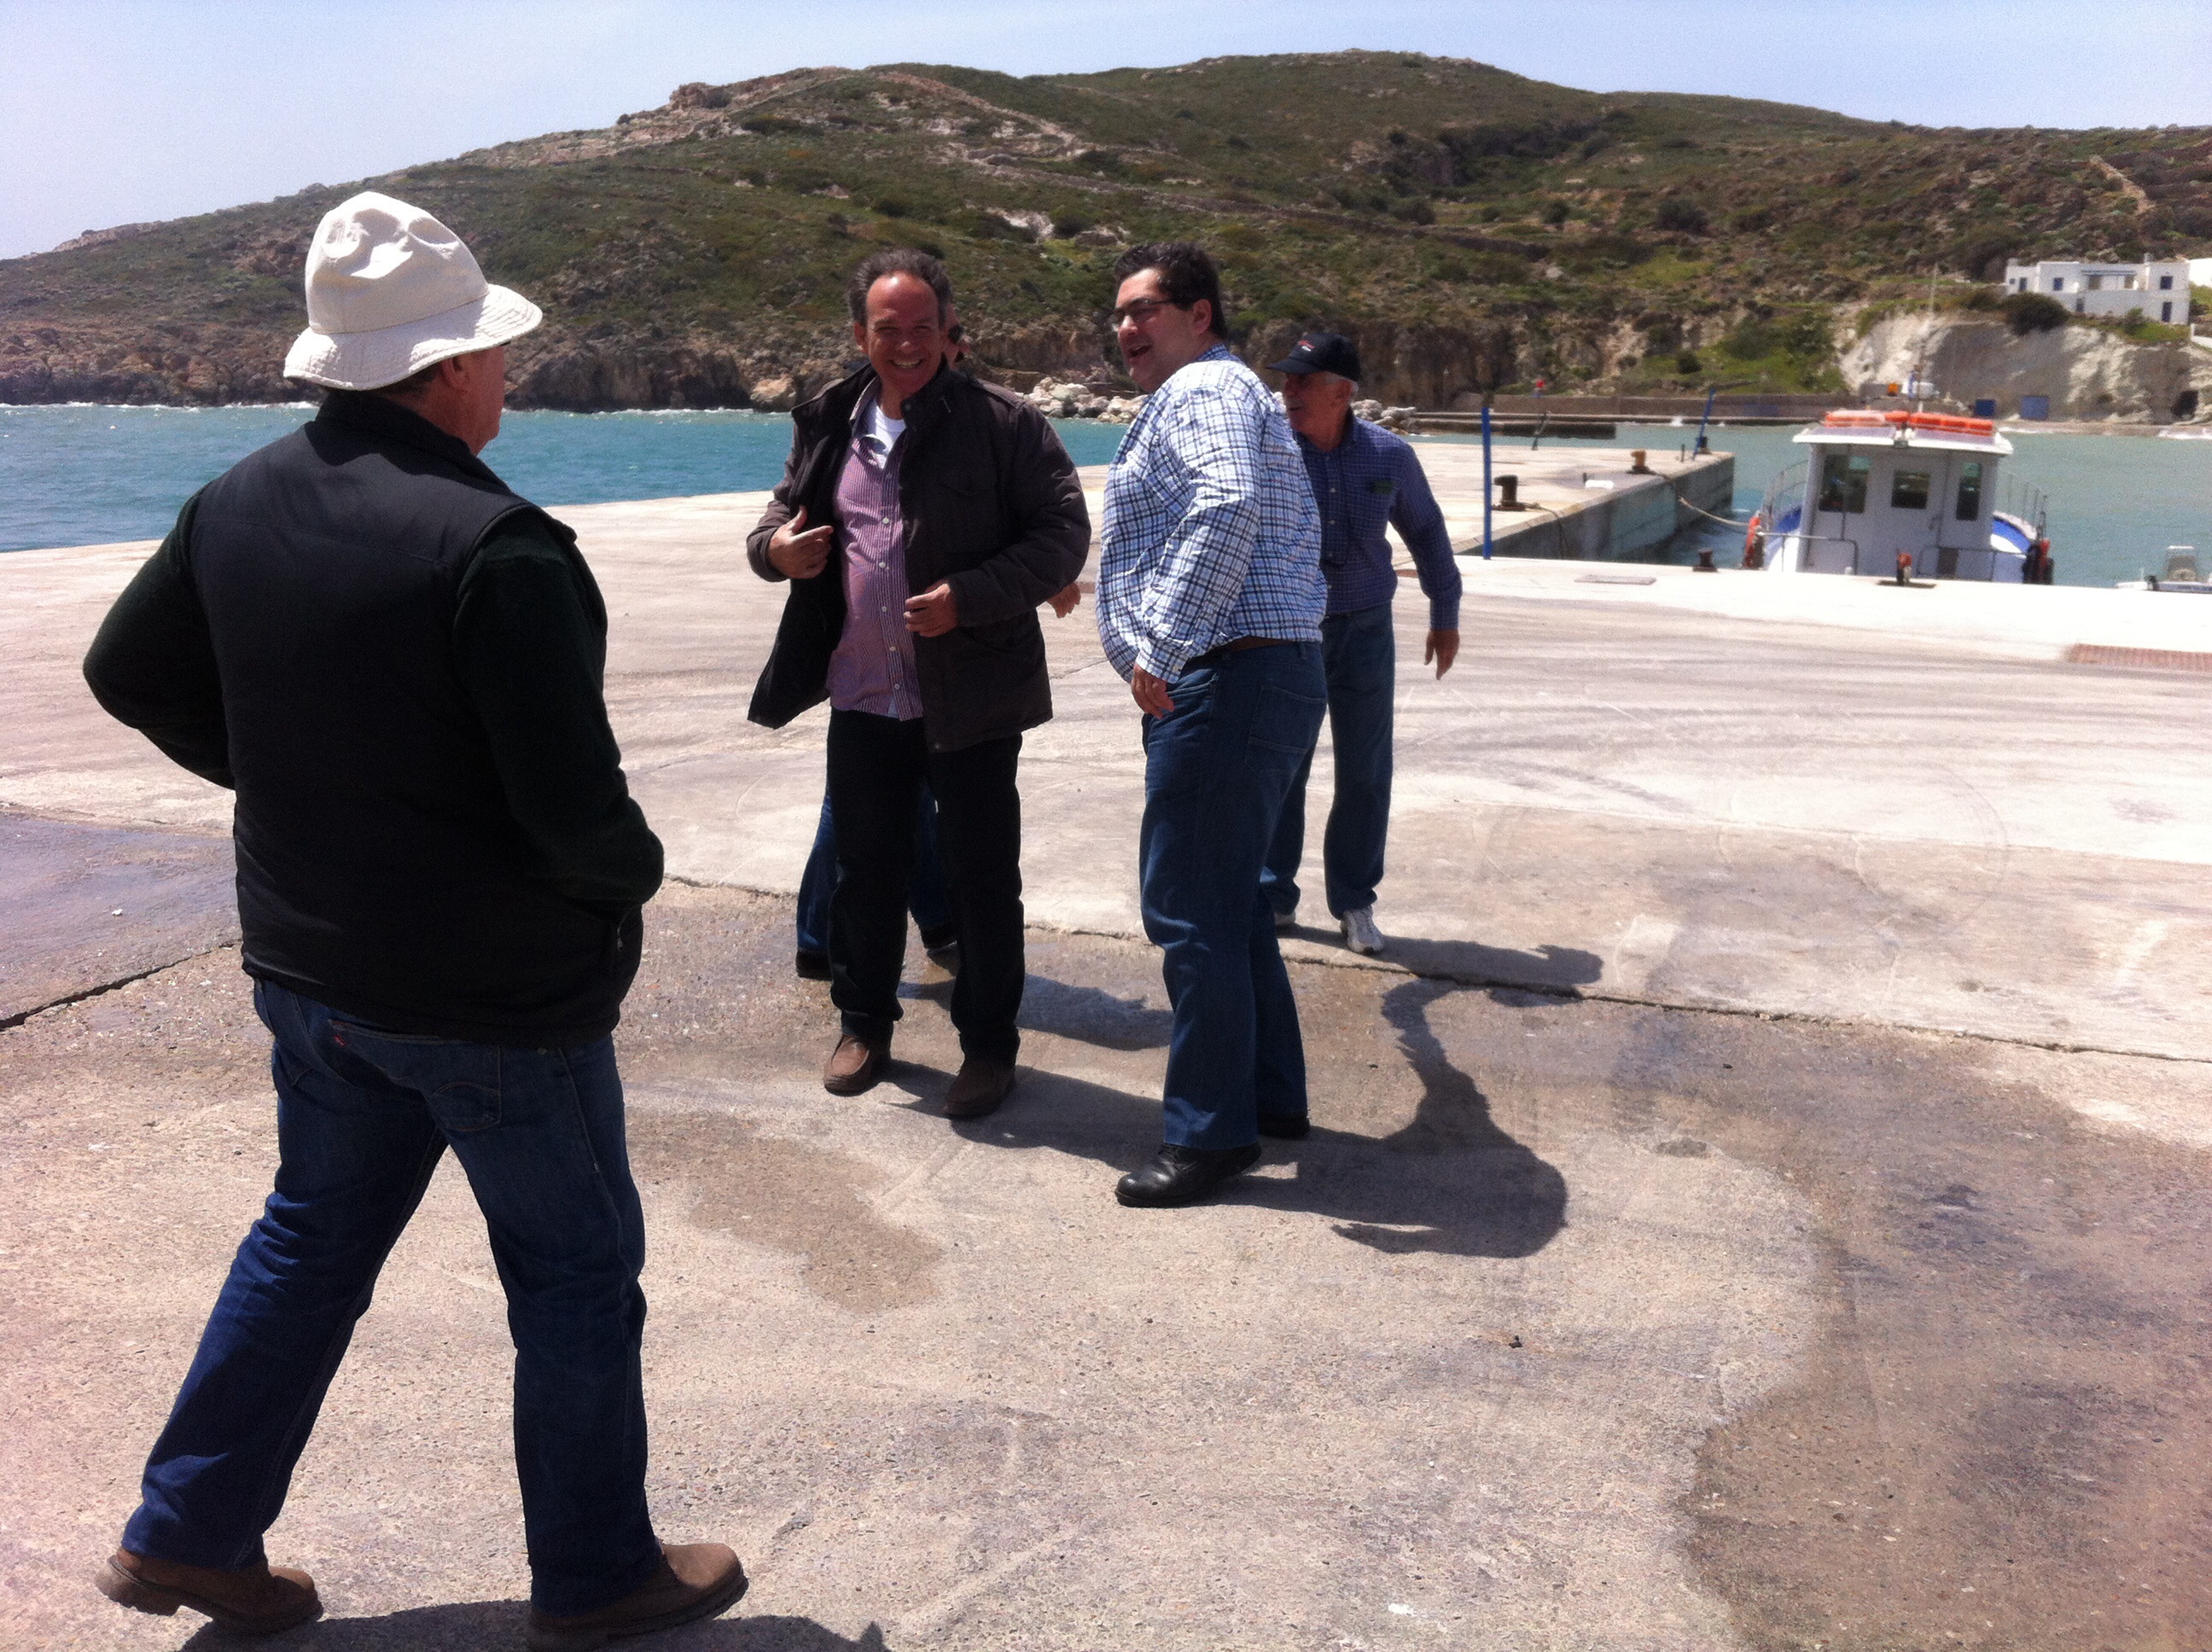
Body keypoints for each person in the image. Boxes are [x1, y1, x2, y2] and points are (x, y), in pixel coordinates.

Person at [79, 192, 746, 1651]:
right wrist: (629, 881)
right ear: (444, 371)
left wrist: (290, 780)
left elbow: (126, 672)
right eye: (493, 352)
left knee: (309, 1242)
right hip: (492, 1000)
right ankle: (597, 1575)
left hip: (314, 972)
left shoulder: (234, 501)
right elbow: (575, 817)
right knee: (573, 1279)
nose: (507, 374)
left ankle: (188, 1526)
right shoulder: (499, 548)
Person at [746, 249, 1088, 1119]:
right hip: (864, 693)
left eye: (922, 327)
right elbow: (781, 511)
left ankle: (989, 1047)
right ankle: (863, 1025)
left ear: (947, 330)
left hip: (971, 699)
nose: (907, 344)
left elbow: (1060, 535)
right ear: (860, 334)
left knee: (982, 880)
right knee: (865, 874)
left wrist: (968, 597)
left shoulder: (1005, 423)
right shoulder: (830, 420)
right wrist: (774, 550)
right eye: (888, 329)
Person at [1093, 241, 1328, 1209]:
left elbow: (1225, 504)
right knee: (1232, 905)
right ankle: (1270, 1097)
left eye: (1144, 309)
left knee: (1190, 910)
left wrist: (1163, 644)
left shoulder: (1201, 391)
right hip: (1268, 673)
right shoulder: (1230, 392)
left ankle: (1208, 1134)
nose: (1126, 328)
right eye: (1118, 314)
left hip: (1227, 676)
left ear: (1200, 316)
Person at [1262, 332, 1460, 956]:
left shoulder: (1389, 455)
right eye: (1286, 379)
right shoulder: (1269, 449)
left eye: (1303, 380)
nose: (1288, 390)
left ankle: (1354, 900)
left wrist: (1445, 613)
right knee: (1281, 765)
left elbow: (1427, 532)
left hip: (1366, 629)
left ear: (1342, 393)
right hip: (1290, 630)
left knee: (1366, 770)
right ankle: (1271, 895)